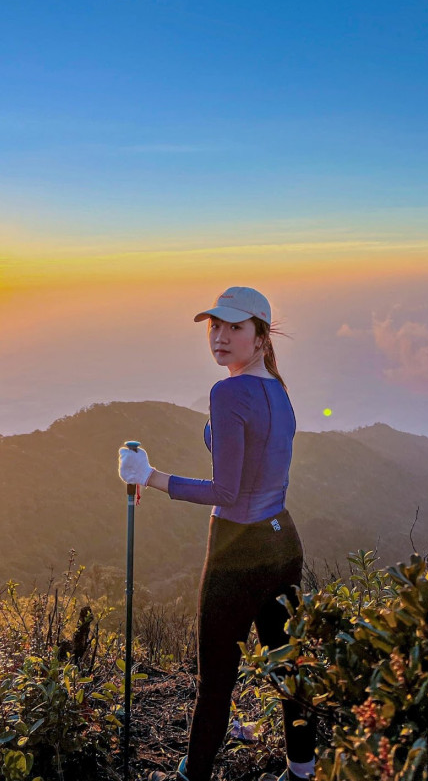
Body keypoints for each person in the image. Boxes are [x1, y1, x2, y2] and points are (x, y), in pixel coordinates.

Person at [118, 286, 316, 781]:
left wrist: (150, 477)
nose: (221, 337)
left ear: (260, 336)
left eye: (235, 328)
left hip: (236, 548)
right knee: (289, 666)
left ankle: (194, 774)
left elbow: (226, 492)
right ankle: (302, 769)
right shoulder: (277, 388)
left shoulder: (228, 392)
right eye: (215, 326)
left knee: (215, 681)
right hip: (282, 540)